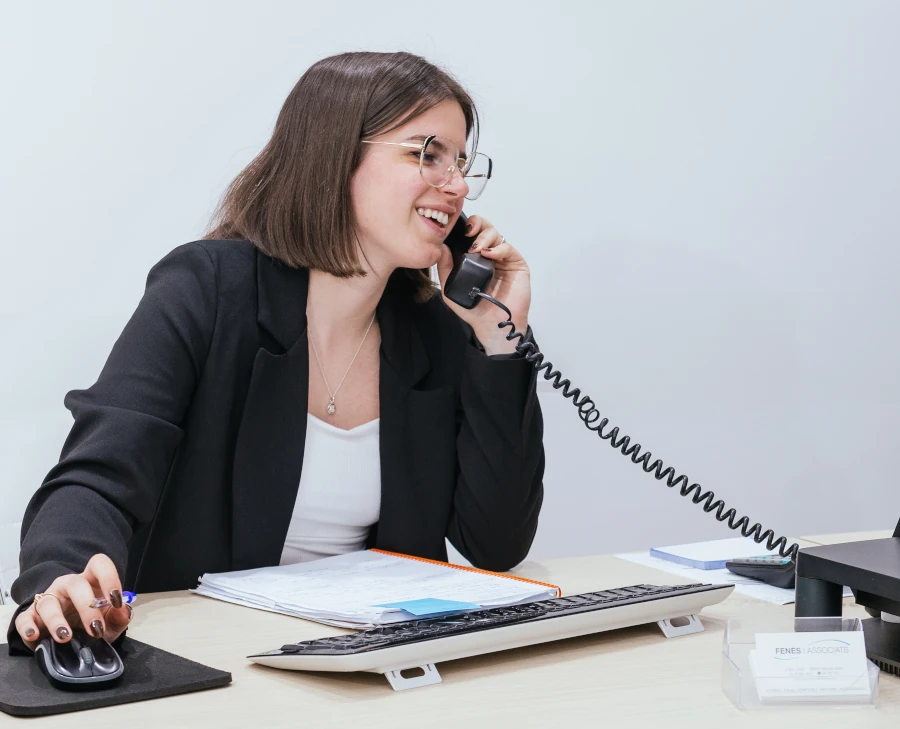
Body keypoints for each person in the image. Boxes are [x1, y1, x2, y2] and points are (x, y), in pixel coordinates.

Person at [7, 51, 544, 655]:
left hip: (373, 666)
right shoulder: (207, 289)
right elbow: (99, 476)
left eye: (463, 163)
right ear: (336, 156)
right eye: (427, 154)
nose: (457, 185)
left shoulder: (435, 330)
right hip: (215, 657)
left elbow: (496, 544)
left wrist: (501, 342)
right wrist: (62, 576)